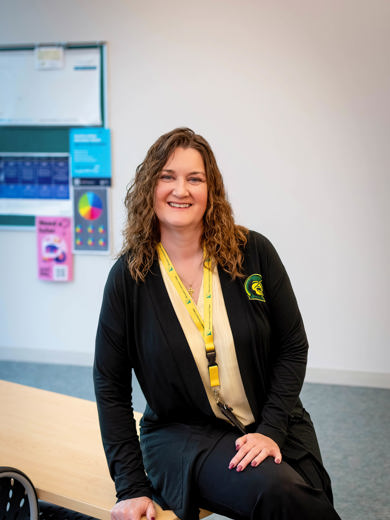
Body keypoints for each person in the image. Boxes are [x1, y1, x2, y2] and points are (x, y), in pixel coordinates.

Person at [94, 128, 341, 520]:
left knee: (312, 496)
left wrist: (271, 430)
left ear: (212, 191)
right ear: (149, 187)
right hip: (186, 435)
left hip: (271, 418)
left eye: (195, 179)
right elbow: (110, 385)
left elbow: (293, 346)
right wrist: (130, 486)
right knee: (281, 494)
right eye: (167, 176)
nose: (181, 190)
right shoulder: (129, 278)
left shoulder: (253, 252)